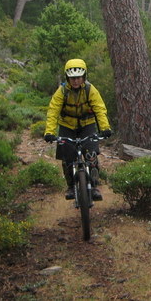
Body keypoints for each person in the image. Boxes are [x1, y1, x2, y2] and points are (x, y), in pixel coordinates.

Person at [44, 58, 112, 201]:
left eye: (78, 78)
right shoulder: (62, 91)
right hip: (67, 126)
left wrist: (105, 128)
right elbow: (53, 111)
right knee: (67, 158)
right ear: (67, 78)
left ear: (84, 77)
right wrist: (49, 132)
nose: (75, 81)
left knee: (91, 155)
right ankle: (70, 187)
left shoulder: (90, 90)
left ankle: (93, 186)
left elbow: (99, 108)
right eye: (72, 78)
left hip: (87, 125)